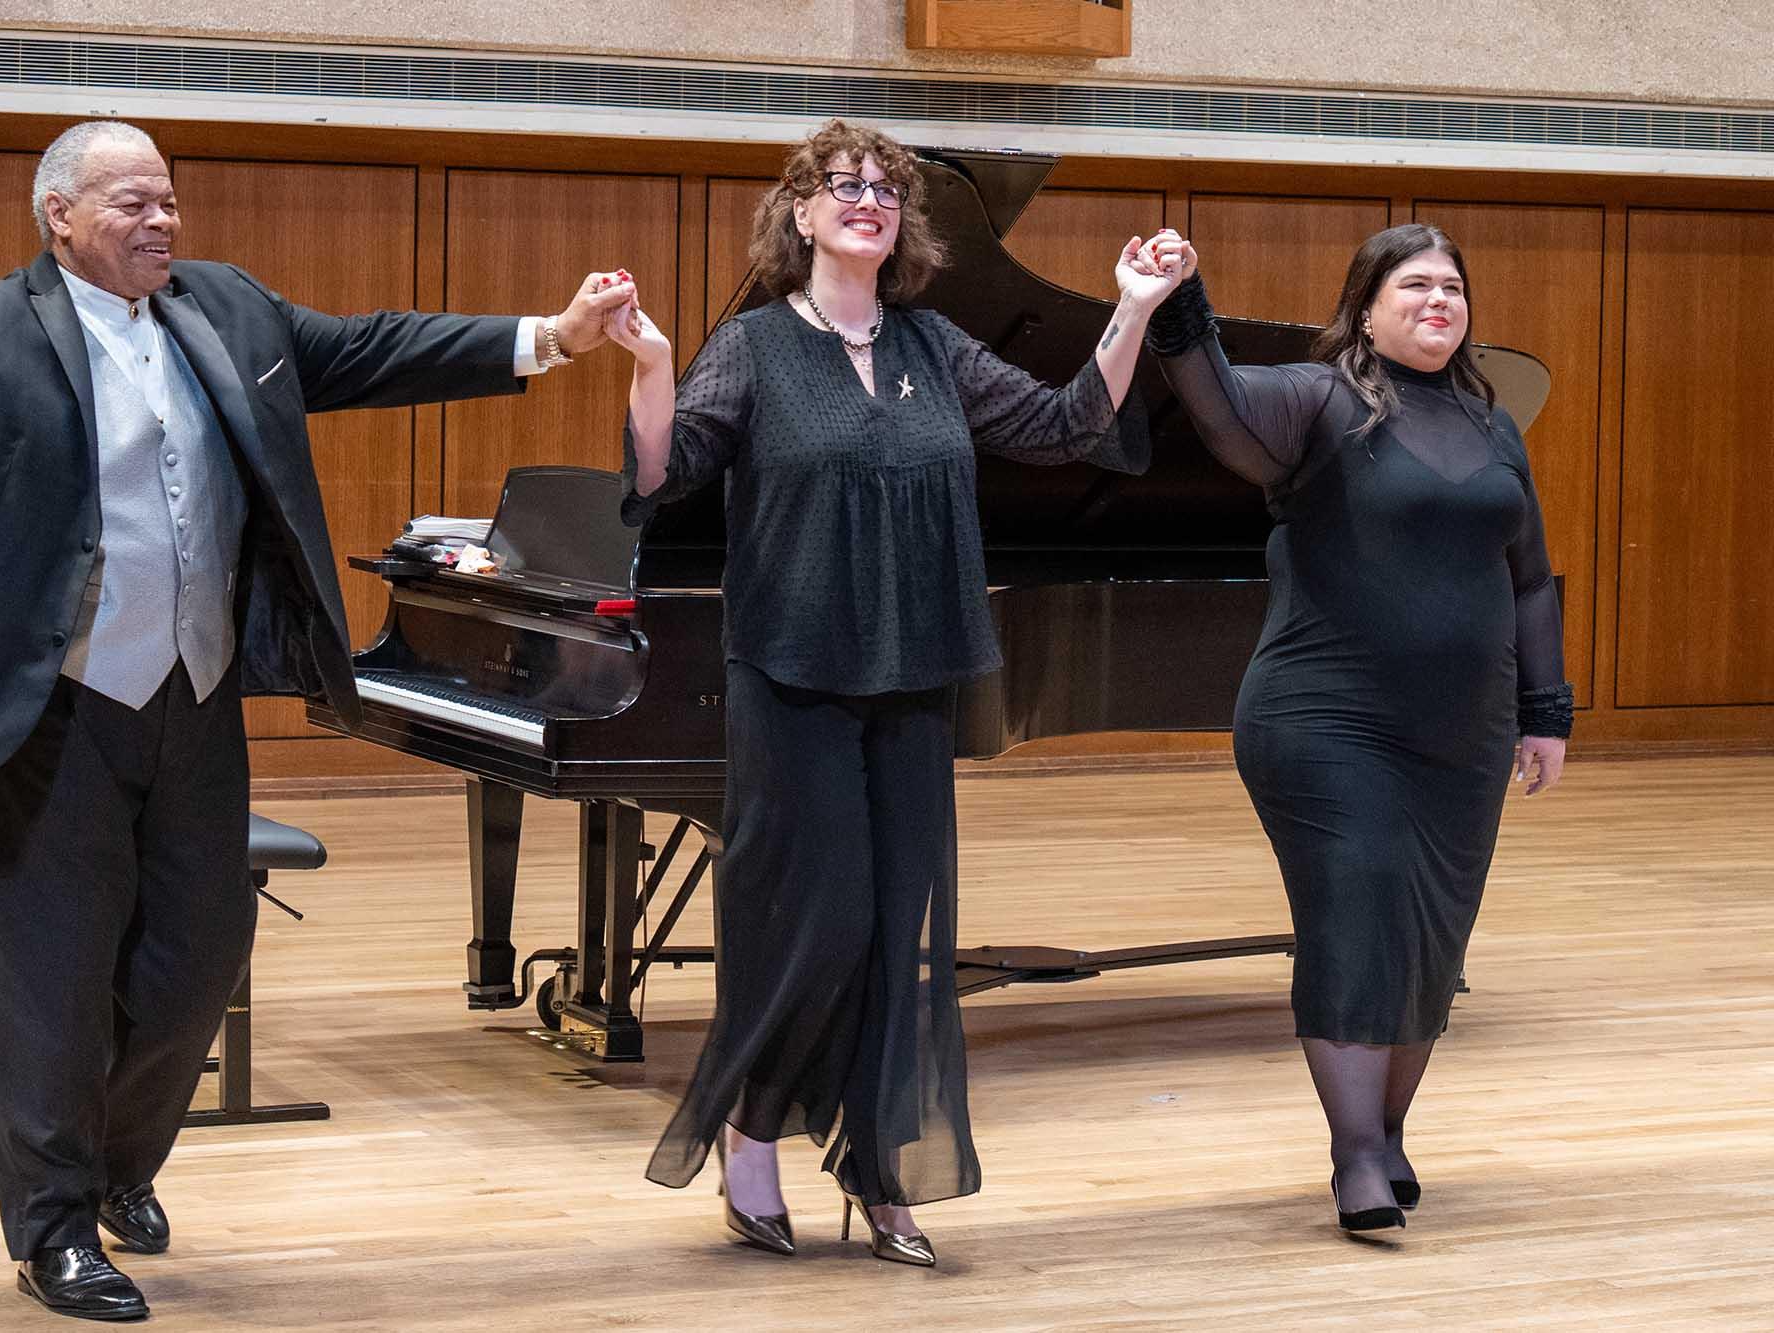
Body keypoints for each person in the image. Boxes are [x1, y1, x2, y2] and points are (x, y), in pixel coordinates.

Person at [0, 119, 635, 1320]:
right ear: (57, 215)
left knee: (197, 956)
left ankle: (115, 1163)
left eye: (169, 199)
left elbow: (375, 349)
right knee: (46, 979)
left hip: (197, 692)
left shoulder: (228, 307)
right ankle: (53, 1228)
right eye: (131, 203)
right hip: (44, 706)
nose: (163, 220)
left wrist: (553, 339)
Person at [611, 119, 1184, 1266]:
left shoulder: (935, 342)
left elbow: (1066, 422)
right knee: (808, 919)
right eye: (844, 184)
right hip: (791, 673)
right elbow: (666, 469)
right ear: (803, 213)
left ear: (898, 222)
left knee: (894, 927)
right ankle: (753, 1129)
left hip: (911, 672)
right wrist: (647, 365)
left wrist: (1129, 309)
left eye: (885, 188)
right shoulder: (757, 347)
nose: (866, 198)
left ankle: (879, 1170)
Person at [1134, 223, 1573, 1233]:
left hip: (1460, 737)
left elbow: (1527, 580)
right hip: (1324, 721)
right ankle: (1353, 1155)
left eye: (1451, 289)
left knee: (1426, 936)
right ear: (1365, 306)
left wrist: (1544, 712)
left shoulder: (1487, 421)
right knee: (1353, 913)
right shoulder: (1318, 398)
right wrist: (1183, 306)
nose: (1436, 302)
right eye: (1413, 285)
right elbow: (1221, 413)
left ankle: (1387, 1128)